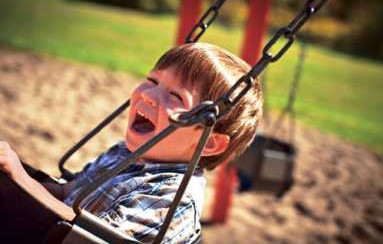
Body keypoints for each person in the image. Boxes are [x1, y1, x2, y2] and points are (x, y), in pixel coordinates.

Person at [0, 42, 263, 243]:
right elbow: (68, 193)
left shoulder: (173, 199)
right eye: (152, 80)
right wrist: (16, 176)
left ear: (208, 144)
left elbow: (86, 238)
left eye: (175, 96)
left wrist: (21, 179)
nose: (148, 95)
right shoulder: (125, 153)